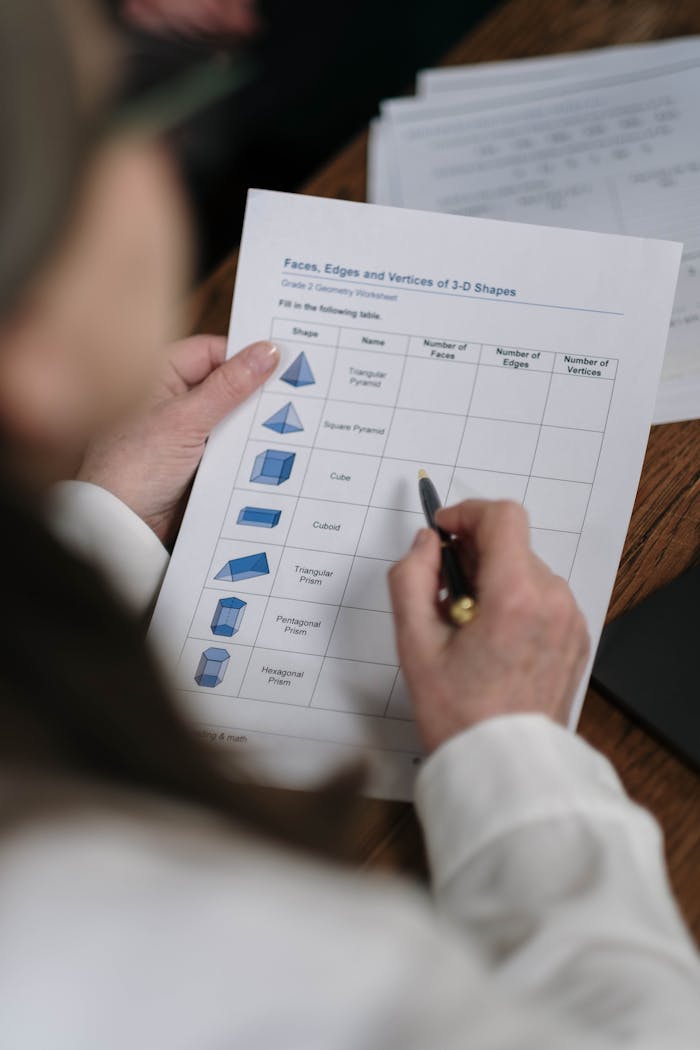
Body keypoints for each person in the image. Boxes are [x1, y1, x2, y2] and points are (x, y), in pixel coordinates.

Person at [1, 2, 698, 1047]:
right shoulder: (241, 943)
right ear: (26, 357)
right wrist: (507, 742)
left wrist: (101, 513)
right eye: (133, 105)